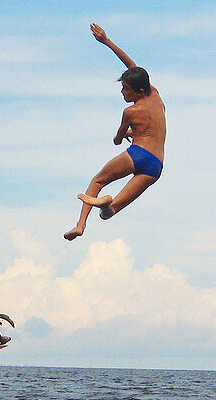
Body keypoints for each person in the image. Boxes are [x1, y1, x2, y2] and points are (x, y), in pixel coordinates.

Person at [64, 24, 166, 241]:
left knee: (98, 181)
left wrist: (126, 132)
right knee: (108, 213)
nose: (122, 92)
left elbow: (117, 140)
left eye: (126, 89)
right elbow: (132, 66)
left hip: (138, 154)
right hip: (156, 166)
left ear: (138, 90)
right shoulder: (154, 95)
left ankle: (80, 224)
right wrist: (107, 41)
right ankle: (106, 205)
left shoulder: (130, 111)